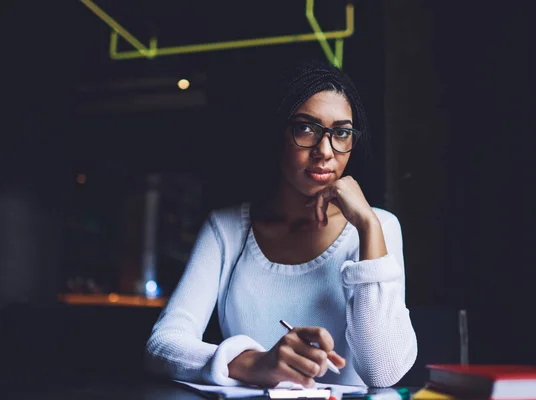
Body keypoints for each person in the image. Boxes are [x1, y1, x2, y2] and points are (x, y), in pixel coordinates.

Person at [145, 61, 417, 388]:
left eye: (341, 133)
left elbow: (383, 372)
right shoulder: (227, 229)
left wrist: (368, 225)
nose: (325, 151)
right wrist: (254, 363)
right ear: (277, 134)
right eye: (306, 128)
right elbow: (162, 345)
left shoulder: (378, 227)